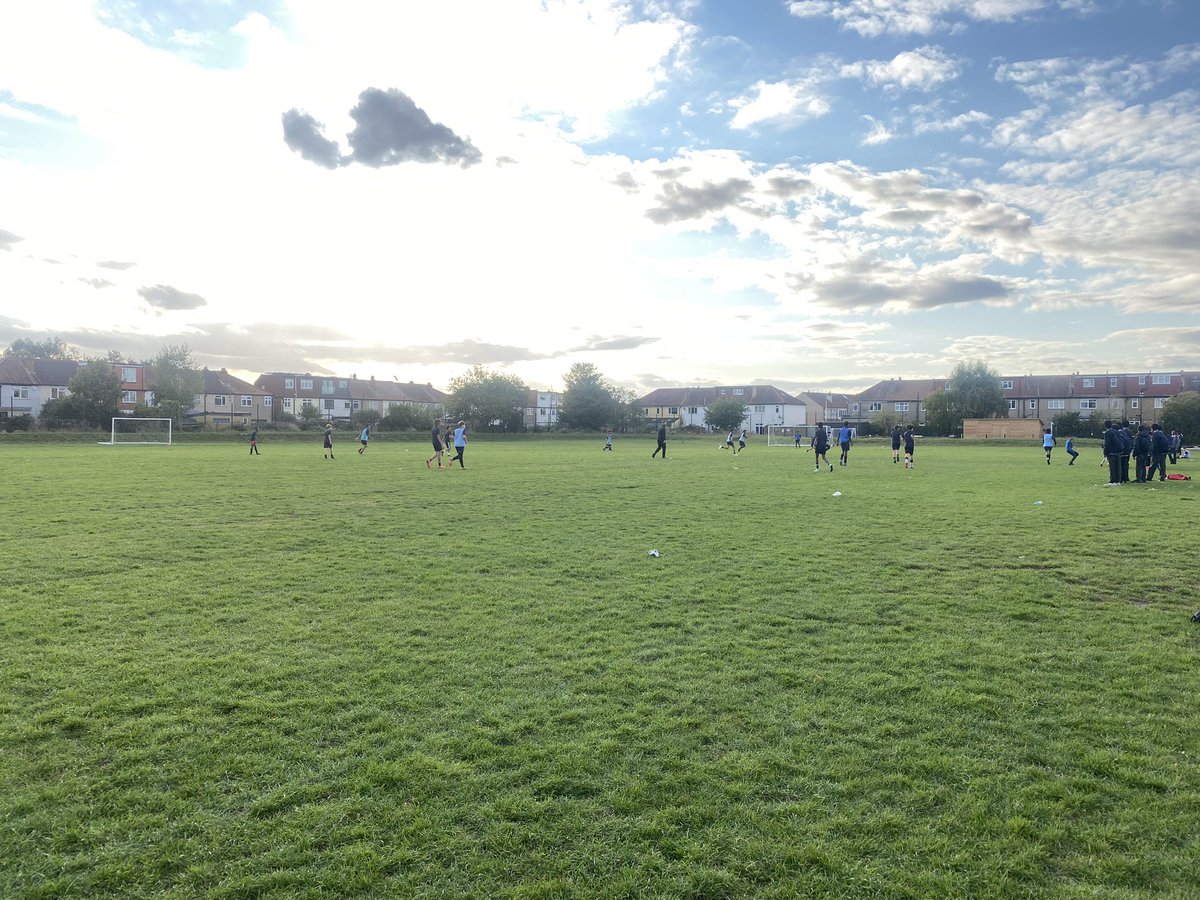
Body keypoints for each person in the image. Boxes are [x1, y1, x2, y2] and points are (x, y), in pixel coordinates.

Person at [1102, 420, 1122, 485]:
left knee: (1112, 467)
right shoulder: (1117, 432)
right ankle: (1118, 480)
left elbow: (1107, 444)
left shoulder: (1108, 433)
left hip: (1111, 452)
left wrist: (1105, 453)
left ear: (1105, 426)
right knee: (1118, 466)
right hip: (1118, 451)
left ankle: (1112, 481)